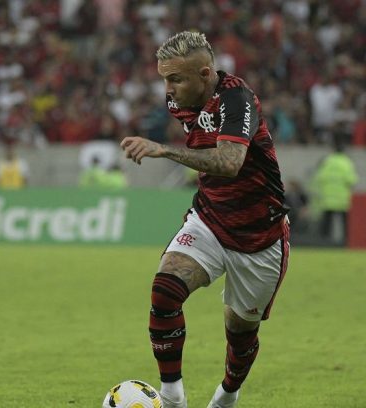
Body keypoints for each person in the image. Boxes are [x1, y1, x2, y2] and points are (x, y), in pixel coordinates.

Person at [120, 32, 290, 408]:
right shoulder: (178, 100)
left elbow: (229, 163)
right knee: (165, 289)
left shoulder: (237, 99)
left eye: (176, 79)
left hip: (259, 235)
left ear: (205, 74)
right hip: (210, 218)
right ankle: (172, 397)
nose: (168, 90)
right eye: (164, 79)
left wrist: (164, 151)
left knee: (240, 330)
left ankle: (228, 394)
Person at [311, 136, 358, 244]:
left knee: (327, 222)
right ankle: (346, 241)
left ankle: (324, 242)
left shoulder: (327, 161)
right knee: (345, 222)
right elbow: (351, 180)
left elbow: (320, 178)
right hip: (342, 199)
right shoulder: (347, 162)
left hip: (328, 198)